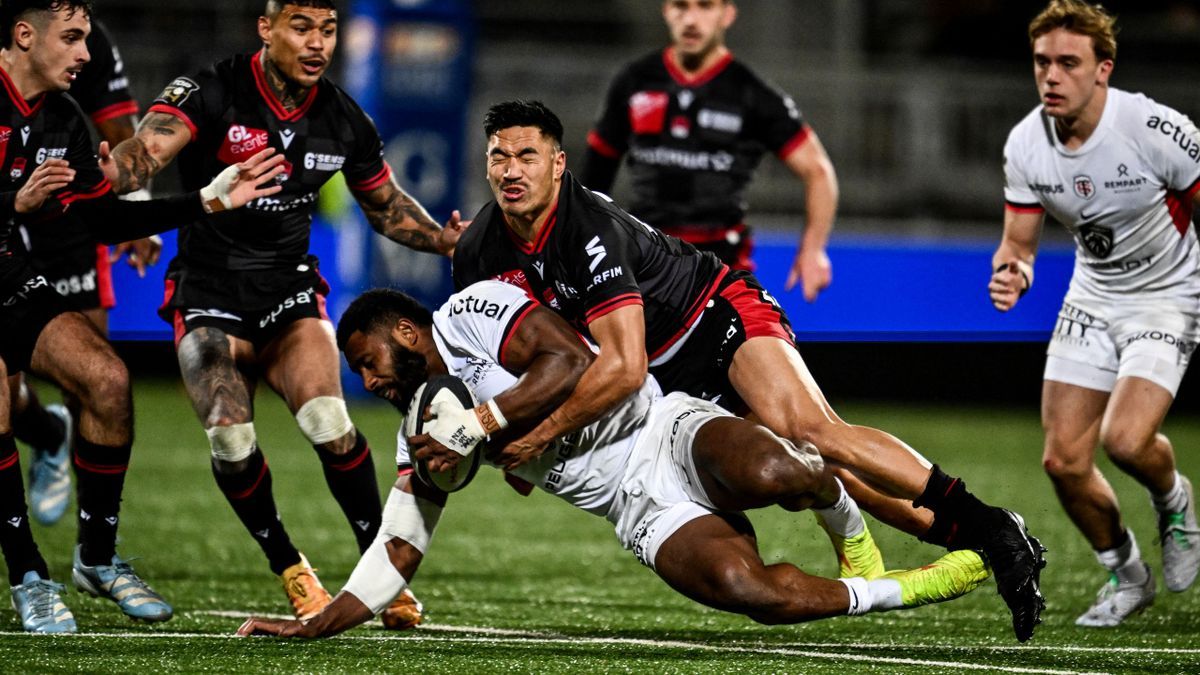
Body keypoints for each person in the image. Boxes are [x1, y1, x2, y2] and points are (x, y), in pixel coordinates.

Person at [453, 99, 1046, 642]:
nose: (512, 170)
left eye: (527, 155)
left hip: (713, 316)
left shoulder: (587, 230)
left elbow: (625, 367)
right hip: (670, 377)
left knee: (812, 431)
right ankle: (988, 544)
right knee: (821, 465)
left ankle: (988, 525)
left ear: (558, 164)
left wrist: (540, 431)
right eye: (498, 156)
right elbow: (500, 353)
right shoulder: (478, 251)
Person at [234, 282, 991, 638]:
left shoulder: (470, 313)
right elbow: (400, 543)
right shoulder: (416, 432)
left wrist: (488, 421)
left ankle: (850, 532)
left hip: (662, 426)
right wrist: (320, 623)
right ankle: (909, 586)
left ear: (406, 328)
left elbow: (564, 359)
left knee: (781, 470)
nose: (369, 382)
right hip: (638, 507)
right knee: (749, 592)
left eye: (370, 361)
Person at [100, 0, 461, 626]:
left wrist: (444, 240)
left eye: (328, 29)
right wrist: (125, 180)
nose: (318, 43)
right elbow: (142, 153)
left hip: (289, 291)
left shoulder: (344, 118)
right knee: (231, 436)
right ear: (266, 28)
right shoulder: (212, 91)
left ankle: (382, 567)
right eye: (301, 28)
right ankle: (291, 567)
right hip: (208, 290)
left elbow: (383, 205)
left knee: (329, 421)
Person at [0, 0, 287, 632]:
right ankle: (27, 575)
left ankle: (96, 560)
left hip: (6, 274)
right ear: (24, 36)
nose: (85, 54)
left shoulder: (61, 119)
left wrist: (207, 200)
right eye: (73, 39)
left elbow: (103, 219)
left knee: (107, 380)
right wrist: (12, 203)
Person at [990, 0, 1200, 627]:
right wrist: (1013, 271)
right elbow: (1018, 242)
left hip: (1168, 294)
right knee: (1063, 461)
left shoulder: (1153, 129)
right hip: (1092, 298)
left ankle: (1173, 500)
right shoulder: (1026, 144)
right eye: (1041, 62)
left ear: (1103, 69)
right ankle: (1129, 577)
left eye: (1068, 63)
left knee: (1127, 441)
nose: (1051, 76)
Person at [579, 0, 835, 299]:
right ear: (666, 11)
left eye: (704, 6)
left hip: (723, 269)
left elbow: (817, 171)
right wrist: (582, 243)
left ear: (727, 14)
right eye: (680, 6)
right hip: (644, 261)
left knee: (766, 345)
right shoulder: (634, 81)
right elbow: (594, 175)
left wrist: (813, 249)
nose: (691, 19)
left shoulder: (751, 94)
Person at [13, 17, 158, 528]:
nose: (81, 50)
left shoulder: (85, 39)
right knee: (10, 396)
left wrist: (138, 208)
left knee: (92, 376)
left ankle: (91, 532)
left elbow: (119, 127)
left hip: (63, 205)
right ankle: (48, 436)